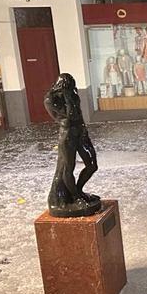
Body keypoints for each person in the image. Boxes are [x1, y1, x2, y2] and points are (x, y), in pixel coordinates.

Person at [44, 73, 101, 217]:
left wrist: (84, 131)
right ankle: (75, 197)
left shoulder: (73, 93)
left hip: (81, 132)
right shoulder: (51, 99)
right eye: (69, 85)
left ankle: (78, 190)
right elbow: (69, 116)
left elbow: (79, 115)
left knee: (92, 165)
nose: (72, 87)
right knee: (68, 168)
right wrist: (67, 96)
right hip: (68, 135)